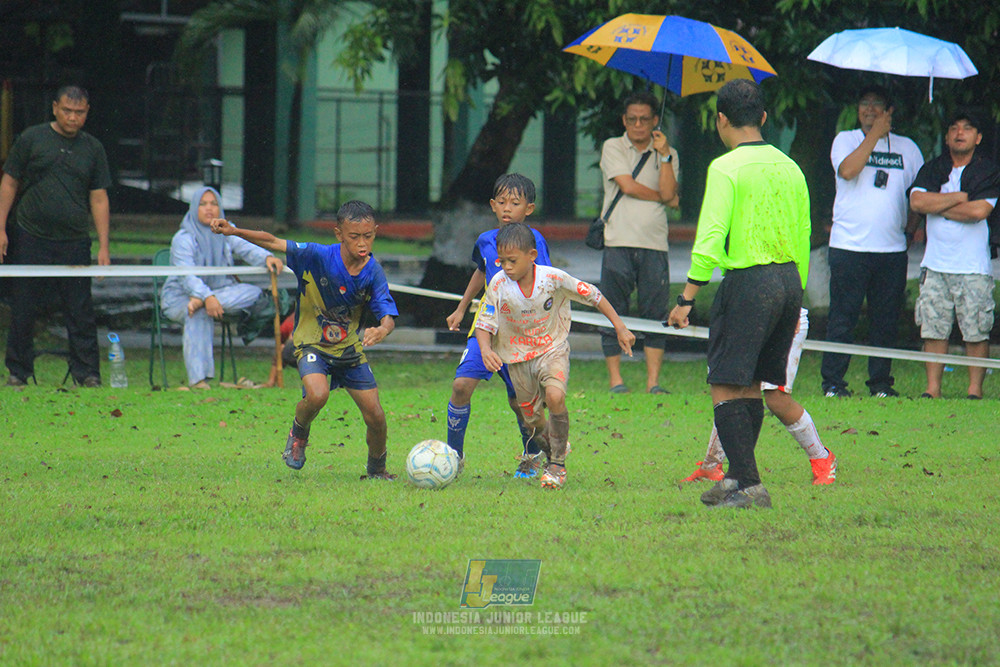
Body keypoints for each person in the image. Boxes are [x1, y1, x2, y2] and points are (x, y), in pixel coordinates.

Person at [666, 79, 812, 509]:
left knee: (725, 384)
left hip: (749, 282)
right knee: (750, 383)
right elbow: (802, 233)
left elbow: (711, 238)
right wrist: (795, 291)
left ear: (721, 120)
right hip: (788, 282)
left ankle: (749, 484)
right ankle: (734, 478)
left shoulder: (726, 168)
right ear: (764, 118)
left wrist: (687, 297)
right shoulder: (791, 167)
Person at [209, 200, 399, 480]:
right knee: (318, 394)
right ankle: (299, 432)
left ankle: (377, 471)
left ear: (375, 232)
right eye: (354, 236)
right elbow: (272, 240)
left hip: (349, 351)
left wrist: (382, 330)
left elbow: (388, 315)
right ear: (339, 234)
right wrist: (234, 231)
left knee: (377, 417)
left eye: (368, 236)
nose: (362, 243)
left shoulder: (373, 272)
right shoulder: (317, 256)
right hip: (312, 344)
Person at [476, 223, 636, 489]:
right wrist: (485, 349)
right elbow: (485, 322)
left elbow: (594, 296)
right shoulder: (498, 285)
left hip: (553, 348)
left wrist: (620, 327)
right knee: (533, 422)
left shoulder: (553, 279)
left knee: (555, 396)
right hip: (517, 359)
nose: (506, 267)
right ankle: (555, 450)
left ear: (532, 255)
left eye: (512, 261)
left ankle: (557, 465)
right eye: (501, 261)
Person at [1, 85, 111, 387]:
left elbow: (98, 198)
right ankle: (18, 371)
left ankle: (87, 372)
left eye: (79, 112)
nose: (72, 117)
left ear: (87, 112)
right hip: (30, 234)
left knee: (80, 308)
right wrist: (0, 228)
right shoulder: (31, 139)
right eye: (67, 110)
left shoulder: (93, 148)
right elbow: (9, 182)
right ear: (54, 108)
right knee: (23, 306)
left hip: (74, 240)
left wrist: (104, 245)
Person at [445, 174, 552, 477]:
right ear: (492, 205)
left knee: (521, 404)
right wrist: (462, 307)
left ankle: (531, 457)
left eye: (515, 203)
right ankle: (454, 457)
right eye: (502, 202)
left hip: (521, 334)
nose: (507, 209)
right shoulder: (485, 240)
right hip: (486, 328)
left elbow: (544, 280)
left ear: (528, 209)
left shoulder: (535, 243)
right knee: (461, 385)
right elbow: (481, 271)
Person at [821, 86, 924, 398]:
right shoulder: (846, 140)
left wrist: (909, 232)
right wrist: (874, 136)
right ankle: (834, 384)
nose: (868, 110)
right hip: (848, 248)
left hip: (891, 250)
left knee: (885, 322)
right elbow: (849, 171)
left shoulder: (909, 148)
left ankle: (880, 384)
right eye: (863, 104)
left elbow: (917, 196)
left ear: (889, 111)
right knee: (842, 319)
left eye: (876, 105)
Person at [682, 308, 837, 486]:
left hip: (780, 318)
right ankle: (711, 465)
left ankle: (822, 458)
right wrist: (686, 301)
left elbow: (796, 279)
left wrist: (792, 308)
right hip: (743, 318)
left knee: (777, 399)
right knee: (730, 391)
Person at [909, 110, 1000, 399]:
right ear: (947, 136)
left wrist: (938, 205)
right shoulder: (933, 168)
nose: (960, 133)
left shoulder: (989, 171)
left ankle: (974, 391)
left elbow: (978, 212)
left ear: (979, 137)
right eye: (954, 128)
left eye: (967, 128)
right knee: (933, 328)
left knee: (976, 331)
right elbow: (917, 201)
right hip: (934, 264)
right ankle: (932, 389)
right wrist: (958, 198)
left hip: (973, 267)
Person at [160, 186, 284, 389]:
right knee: (198, 313)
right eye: (203, 204)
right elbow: (186, 276)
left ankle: (201, 300)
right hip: (180, 298)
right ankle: (199, 381)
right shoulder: (183, 238)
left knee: (254, 293)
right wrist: (206, 296)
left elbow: (247, 248)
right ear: (193, 208)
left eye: (214, 203)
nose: (209, 208)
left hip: (217, 296)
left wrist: (267, 257)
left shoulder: (226, 230)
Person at [598, 91, 679, 395]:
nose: (638, 125)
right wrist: (666, 199)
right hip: (618, 239)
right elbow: (628, 186)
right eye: (632, 119)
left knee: (655, 311)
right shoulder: (612, 146)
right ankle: (616, 380)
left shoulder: (668, 152)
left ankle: (652, 382)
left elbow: (671, 191)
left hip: (655, 243)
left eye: (645, 119)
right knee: (612, 308)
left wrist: (666, 156)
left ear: (655, 120)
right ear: (624, 120)